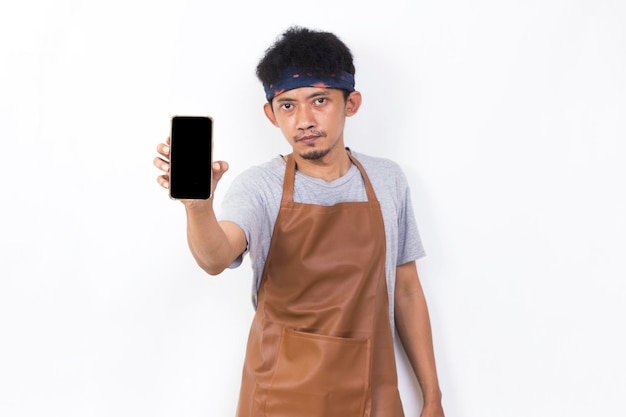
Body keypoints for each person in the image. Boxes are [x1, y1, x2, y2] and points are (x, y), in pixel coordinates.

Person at [154, 26, 445, 417]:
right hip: (280, 398)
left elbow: (407, 291)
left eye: (319, 100)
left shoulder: (387, 180)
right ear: (270, 114)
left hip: (373, 396)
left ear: (352, 102)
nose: (304, 120)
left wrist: (433, 398)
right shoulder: (261, 186)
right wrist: (197, 207)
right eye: (287, 105)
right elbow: (215, 257)